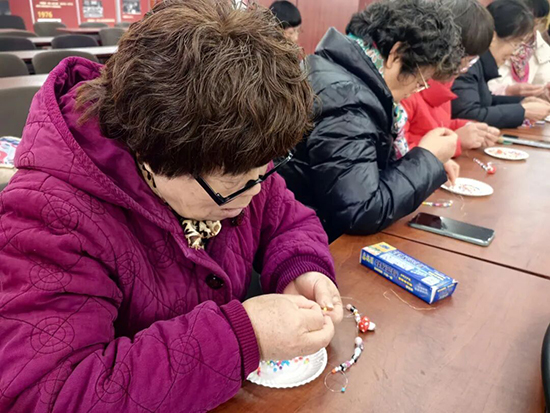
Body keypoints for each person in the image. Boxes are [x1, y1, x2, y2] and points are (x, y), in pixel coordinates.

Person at [0, 1, 343, 412]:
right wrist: (242, 336)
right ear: (151, 154)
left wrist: (300, 267)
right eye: (235, 184)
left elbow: (286, 217)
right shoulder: (47, 216)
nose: (256, 190)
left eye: (265, 169)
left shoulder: (236, 159)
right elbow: (49, 396)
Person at [279, 0, 463, 242]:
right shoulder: (347, 102)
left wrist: (427, 164)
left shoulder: (341, 75)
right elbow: (360, 210)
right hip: (307, 243)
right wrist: (427, 159)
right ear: (396, 55)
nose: (416, 90)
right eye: (420, 81)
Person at [402, 0, 500, 158]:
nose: (466, 67)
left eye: (473, 61)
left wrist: (469, 128)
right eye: (467, 60)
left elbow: (439, 127)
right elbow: (398, 151)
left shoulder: (444, 82)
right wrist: (457, 142)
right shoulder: (407, 88)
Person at [452, 0, 550, 128]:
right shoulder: (469, 65)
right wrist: (522, 111)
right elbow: (468, 114)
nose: (514, 52)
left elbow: (486, 101)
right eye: (515, 44)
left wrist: (522, 102)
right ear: (493, 37)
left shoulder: (479, 64)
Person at [488, 0, 550, 101]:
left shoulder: (540, 48)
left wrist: (540, 93)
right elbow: (480, 98)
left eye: (537, 24)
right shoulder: (494, 45)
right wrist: (508, 92)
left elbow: (543, 81)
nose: (531, 32)